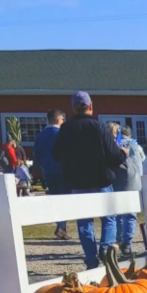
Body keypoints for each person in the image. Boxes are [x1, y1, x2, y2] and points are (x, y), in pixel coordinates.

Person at [52, 91, 125, 269]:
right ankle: (106, 249)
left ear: (73, 108)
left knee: (84, 221)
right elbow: (114, 156)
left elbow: (56, 154)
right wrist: (123, 154)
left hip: (77, 182)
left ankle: (91, 260)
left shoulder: (66, 129)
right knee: (108, 218)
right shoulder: (99, 127)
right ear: (90, 106)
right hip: (101, 180)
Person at [33, 109, 70, 239]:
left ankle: (61, 225)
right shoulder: (61, 134)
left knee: (55, 199)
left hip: (48, 172)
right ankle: (61, 227)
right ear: (59, 119)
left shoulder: (40, 135)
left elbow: (37, 155)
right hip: (62, 171)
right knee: (65, 199)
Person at [109, 123, 144, 257]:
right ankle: (127, 244)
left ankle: (117, 240)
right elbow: (144, 161)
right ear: (130, 134)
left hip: (118, 183)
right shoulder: (137, 146)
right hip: (135, 183)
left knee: (118, 214)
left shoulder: (114, 145)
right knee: (130, 216)